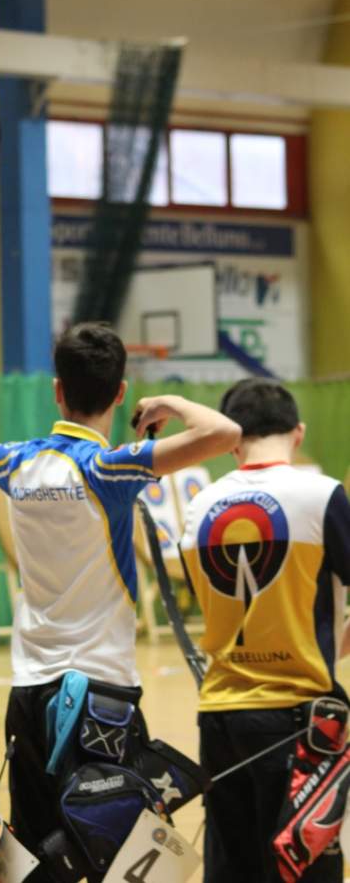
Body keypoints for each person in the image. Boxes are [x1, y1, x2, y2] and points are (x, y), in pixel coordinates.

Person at [0, 322, 241, 880]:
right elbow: (226, 433)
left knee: (38, 856)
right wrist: (173, 402)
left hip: (32, 695)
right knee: (118, 854)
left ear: (57, 390)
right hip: (100, 697)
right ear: (120, 393)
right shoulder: (108, 467)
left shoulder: (15, 462)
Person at [179, 378, 350, 883]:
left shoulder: (198, 505)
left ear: (233, 440)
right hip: (300, 719)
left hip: (221, 718)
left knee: (234, 871)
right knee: (305, 870)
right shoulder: (322, 495)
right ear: (298, 433)